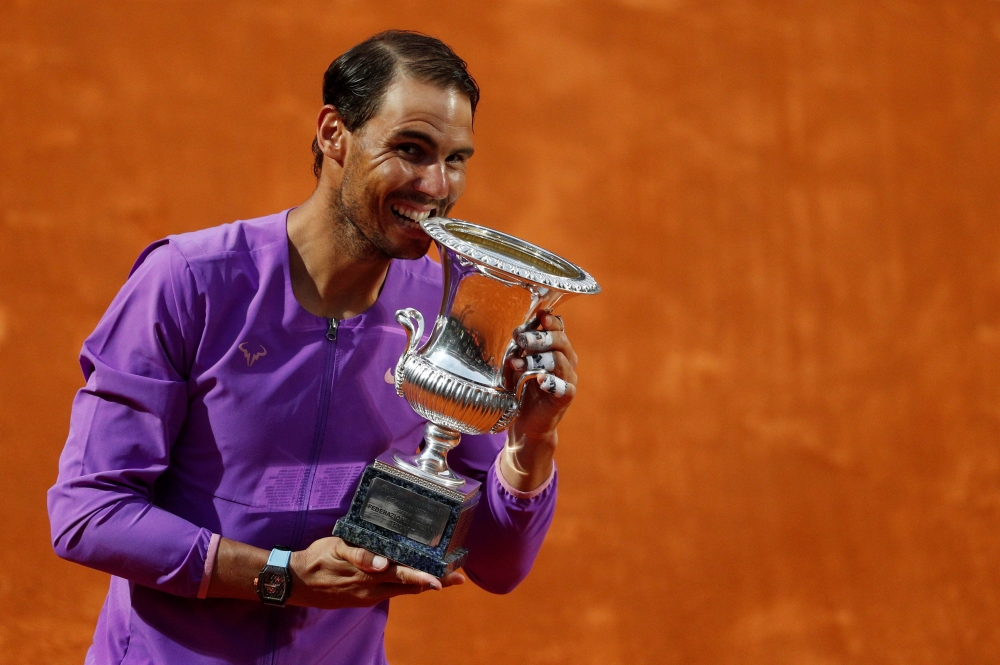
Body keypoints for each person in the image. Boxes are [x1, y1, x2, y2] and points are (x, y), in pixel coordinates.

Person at [47, 30, 581, 664]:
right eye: (410, 150)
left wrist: (533, 445)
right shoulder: (189, 281)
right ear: (334, 133)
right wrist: (282, 576)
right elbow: (88, 512)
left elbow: (496, 565)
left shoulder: (453, 305)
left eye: (456, 158)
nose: (437, 185)